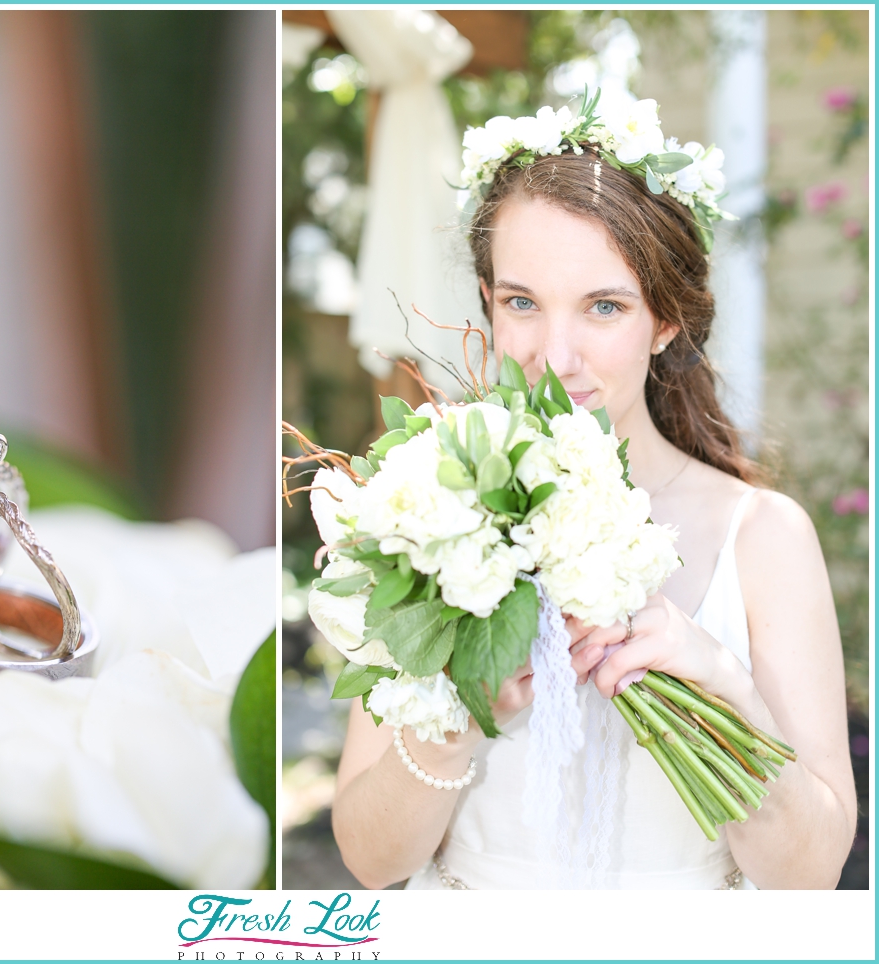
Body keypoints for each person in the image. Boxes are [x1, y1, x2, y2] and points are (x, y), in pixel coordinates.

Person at [330, 107, 857, 890]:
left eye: (604, 307)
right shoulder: (428, 512)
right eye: (522, 303)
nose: (556, 356)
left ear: (666, 320)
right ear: (487, 301)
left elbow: (811, 874)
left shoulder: (764, 537)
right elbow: (370, 862)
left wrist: (722, 682)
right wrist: (453, 721)